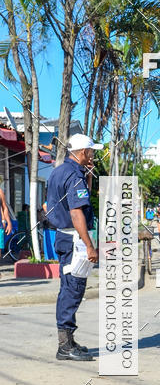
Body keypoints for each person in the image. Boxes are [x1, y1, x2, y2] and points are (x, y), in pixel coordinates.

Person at [46, 134, 102, 361]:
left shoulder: (61, 171)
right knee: (72, 290)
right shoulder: (74, 175)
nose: (93, 155)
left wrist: (87, 175)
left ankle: (68, 340)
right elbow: (76, 211)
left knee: (70, 288)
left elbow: (79, 200)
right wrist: (89, 245)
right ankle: (65, 346)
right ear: (83, 152)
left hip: (64, 237)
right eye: (91, 152)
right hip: (73, 240)